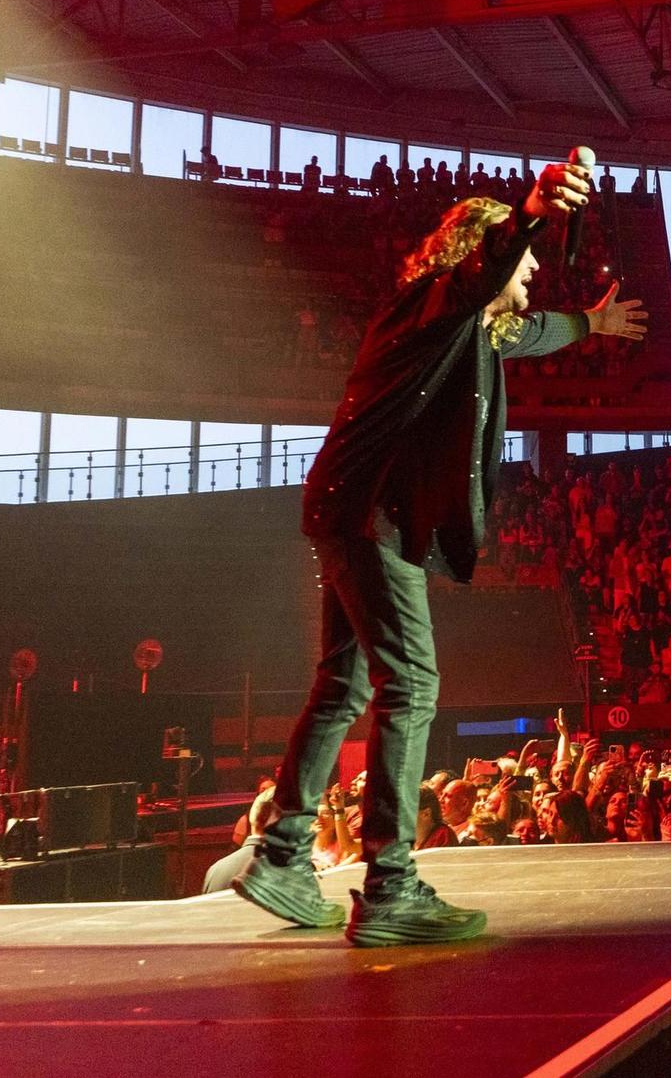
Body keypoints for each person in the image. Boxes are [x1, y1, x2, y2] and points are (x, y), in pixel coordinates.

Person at [233, 155, 648, 948]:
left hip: (354, 509)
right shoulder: (434, 305)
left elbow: (527, 330)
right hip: (371, 515)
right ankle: (390, 887)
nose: (530, 273)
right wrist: (531, 210)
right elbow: (485, 278)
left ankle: (282, 854)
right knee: (413, 680)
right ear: (482, 253)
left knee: (343, 681)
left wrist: (589, 324)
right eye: (520, 260)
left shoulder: (470, 331)